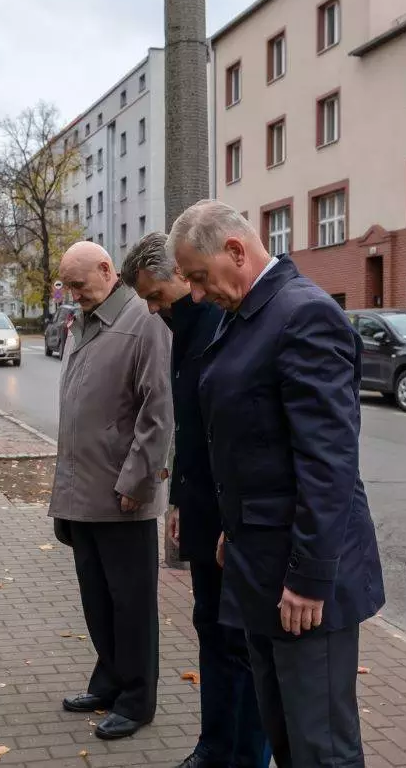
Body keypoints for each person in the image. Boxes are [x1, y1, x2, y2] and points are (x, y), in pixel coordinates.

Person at [168, 200, 385, 768]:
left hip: (305, 581)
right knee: (285, 736)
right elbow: (251, 444)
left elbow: (328, 460)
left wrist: (310, 579)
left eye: (197, 276)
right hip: (259, 563)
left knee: (322, 749)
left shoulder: (303, 314)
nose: (194, 293)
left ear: (235, 251)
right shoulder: (249, 314)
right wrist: (231, 532)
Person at [122, 232, 270, 768]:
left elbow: (236, 434)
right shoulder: (182, 330)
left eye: (157, 297)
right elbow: (191, 427)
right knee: (210, 628)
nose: (155, 310)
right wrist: (181, 503)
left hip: (238, 517)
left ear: (184, 279)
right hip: (205, 509)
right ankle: (213, 747)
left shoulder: (217, 323)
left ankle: (243, 756)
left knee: (241, 643)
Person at [49, 241, 173, 741]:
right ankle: (109, 681)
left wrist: (138, 483)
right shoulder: (86, 321)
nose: (72, 294)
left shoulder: (144, 322)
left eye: (78, 285)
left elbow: (158, 412)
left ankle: (137, 699)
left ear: (106, 270)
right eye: (68, 286)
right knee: (98, 601)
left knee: (131, 604)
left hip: (123, 496)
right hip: (83, 492)